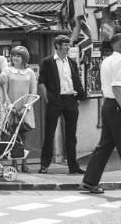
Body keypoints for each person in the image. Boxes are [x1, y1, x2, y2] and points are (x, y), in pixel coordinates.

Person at [38, 34, 86, 174]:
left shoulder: (71, 62)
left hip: (71, 99)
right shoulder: (48, 62)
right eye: (65, 46)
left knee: (71, 135)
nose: (67, 48)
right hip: (55, 101)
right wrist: (48, 99)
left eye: (68, 45)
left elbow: (75, 79)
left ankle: (73, 166)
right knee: (49, 133)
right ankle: (44, 165)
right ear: (57, 46)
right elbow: (41, 82)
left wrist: (79, 93)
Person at [80, 33, 121, 193]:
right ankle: (90, 182)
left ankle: (90, 181)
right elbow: (117, 87)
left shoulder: (107, 60)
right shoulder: (119, 61)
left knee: (104, 146)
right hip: (117, 105)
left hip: (108, 105)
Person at [6, 45, 37, 173]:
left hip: (25, 108)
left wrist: (26, 107)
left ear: (24, 58)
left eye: (18, 56)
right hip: (12, 107)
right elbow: (4, 91)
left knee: (24, 136)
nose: (15, 58)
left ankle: (25, 163)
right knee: (12, 136)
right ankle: (14, 163)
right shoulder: (7, 71)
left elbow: (33, 91)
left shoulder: (30, 72)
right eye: (13, 55)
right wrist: (10, 106)